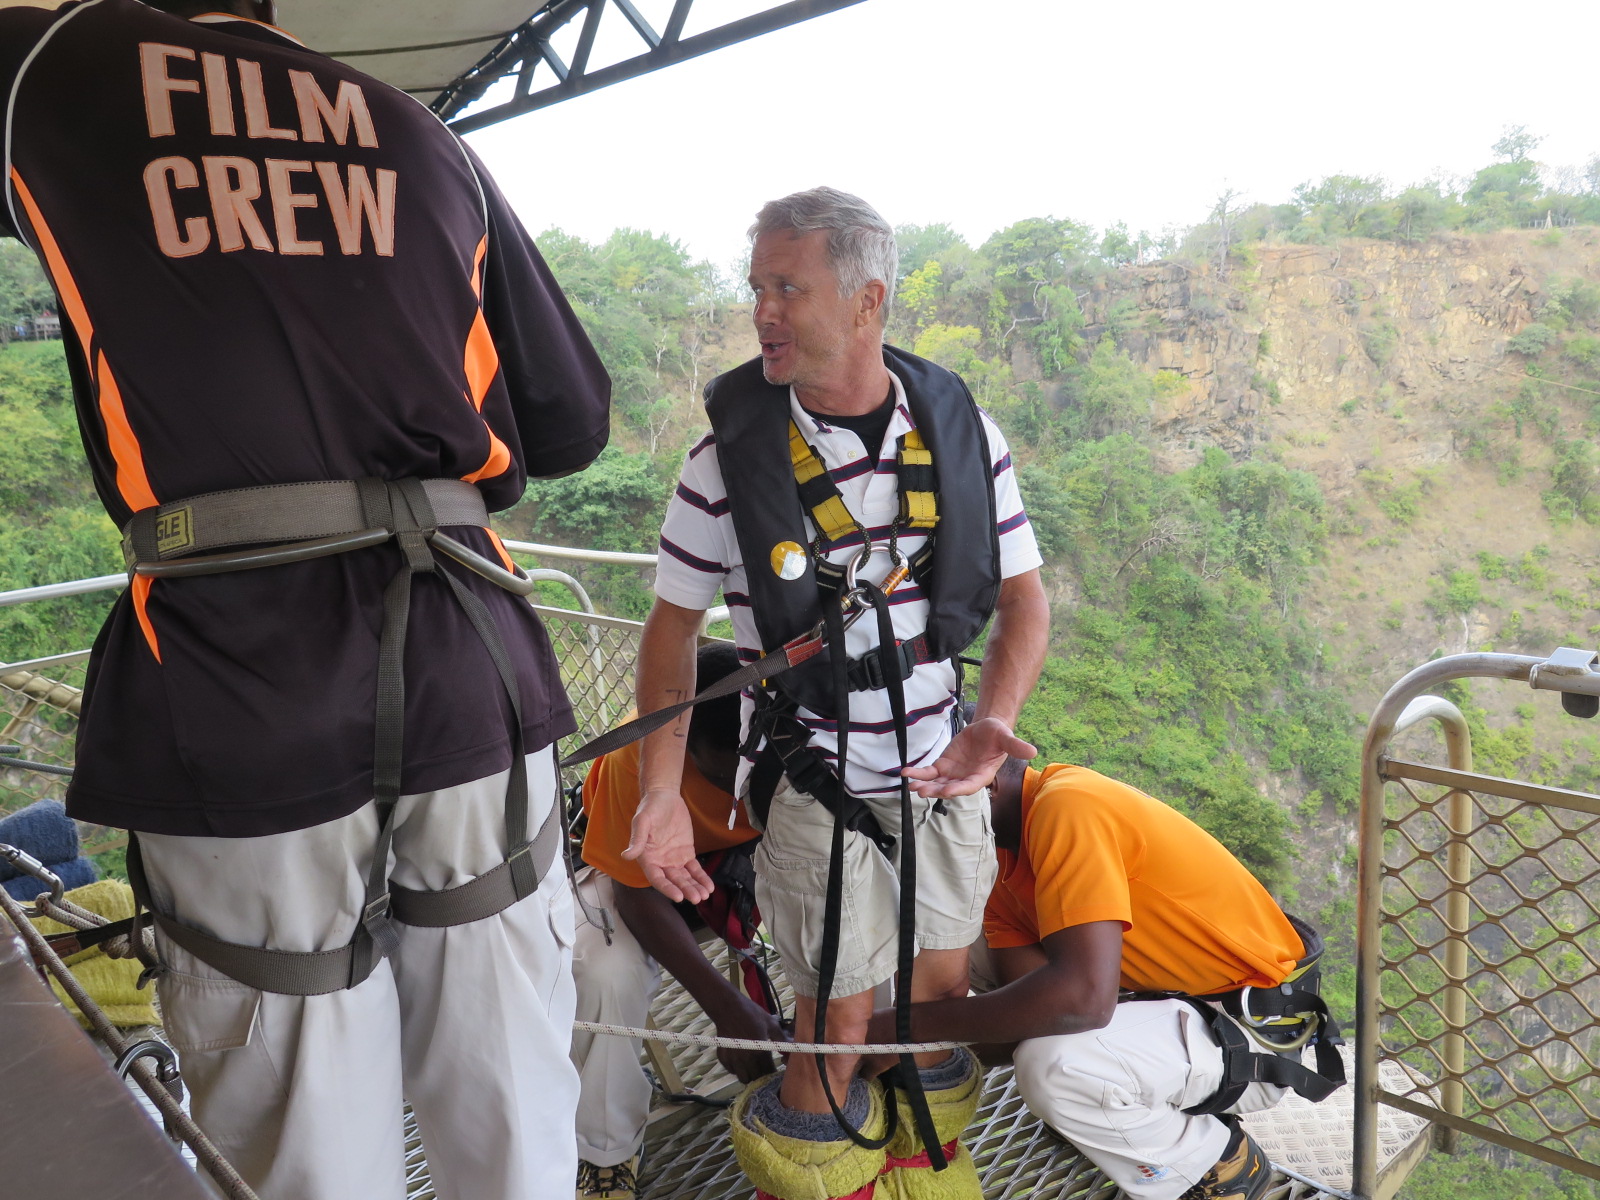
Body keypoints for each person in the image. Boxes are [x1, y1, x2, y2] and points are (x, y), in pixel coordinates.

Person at [0, 3, 610, 1199]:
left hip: (235, 674)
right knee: (511, 1102)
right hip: (465, 657)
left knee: (306, 1128)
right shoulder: (421, 133)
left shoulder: (51, 63)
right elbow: (570, 420)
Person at [626, 187, 1049, 1200]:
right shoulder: (723, 464)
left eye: (787, 287)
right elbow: (671, 633)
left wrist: (997, 718)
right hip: (814, 772)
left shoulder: (959, 434)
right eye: (756, 287)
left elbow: (1025, 603)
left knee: (938, 996)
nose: (763, 311)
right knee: (837, 1015)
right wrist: (655, 796)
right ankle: (821, 1182)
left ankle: (913, 1170)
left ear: (868, 300)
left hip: (940, 767)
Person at [863, 757, 1345, 1200]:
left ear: (982, 779)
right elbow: (1025, 1017)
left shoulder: (1067, 807)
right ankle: (1109, 1097)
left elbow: (1081, 1004)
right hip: (1173, 1010)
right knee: (948, 940)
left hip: (1251, 1037)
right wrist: (888, 1047)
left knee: (1056, 1066)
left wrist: (894, 1029)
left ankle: (1213, 1162)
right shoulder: (996, 857)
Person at [571, 642, 787, 1200]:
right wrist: (729, 1009)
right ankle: (607, 1150)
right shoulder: (636, 755)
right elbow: (638, 896)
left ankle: (840, 1072)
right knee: (603, 973)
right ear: (683, 746)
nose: (742, 780)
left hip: (750, 862)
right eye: (727, 770)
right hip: (636, 872)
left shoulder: (795, 734)